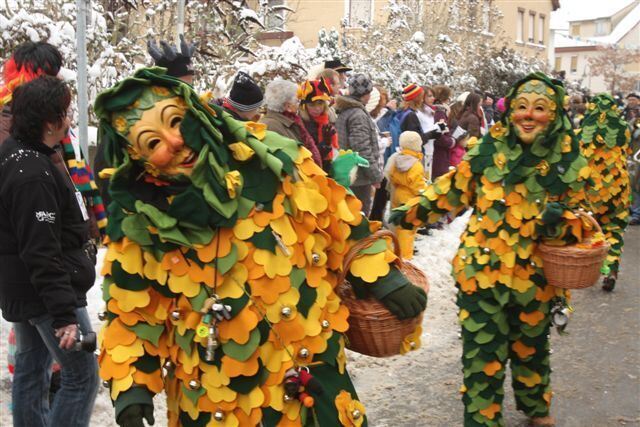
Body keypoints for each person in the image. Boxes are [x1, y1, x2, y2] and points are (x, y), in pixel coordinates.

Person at [94, 67, 426, 427]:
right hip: (211, 402)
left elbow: (339, 220)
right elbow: (130, 314)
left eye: (175, 122)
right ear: (137, 160)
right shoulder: (137, 224)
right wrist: (132, 388)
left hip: (309, 387)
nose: (173, 142)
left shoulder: (274, 160)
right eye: (152, 143)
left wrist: (379, 275)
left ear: (195, 114)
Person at [391, 73, 591, 427]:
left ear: (555, 114)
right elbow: (453, 188)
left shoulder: (567, 160)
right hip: (482, 273)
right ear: (510, 110)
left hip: (536, 277)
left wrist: (560, 222)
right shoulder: (488, 150)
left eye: (539, 108)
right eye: (522, 107)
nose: (528, 115)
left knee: (531, 347)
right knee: (483, 352)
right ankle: (483, 420)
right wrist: (410, 213)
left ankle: (535, 406)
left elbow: (581, 224)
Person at [0, 76, 99, 427]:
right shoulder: (32, 174)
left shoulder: (22, 155)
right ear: (49, 122)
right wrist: (64, 315)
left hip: (28, 288)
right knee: (82, 378)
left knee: (31, 370)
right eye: (65, 113)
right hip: (48, 293)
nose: (69, 120)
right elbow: (40, 249)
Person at [570, 94, 631, 291]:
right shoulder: (624, 129)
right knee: (613, 228)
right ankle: (611, 270)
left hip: (590, 187)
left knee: (590, 227)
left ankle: (588, 269)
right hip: (617, 188)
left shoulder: (581, 131)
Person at [335, 74, 383, 215]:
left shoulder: (346, 111)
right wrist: (375, 176)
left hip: (347, 173)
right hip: (358, 177)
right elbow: (362, 148)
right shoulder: (358, 115)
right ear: (366, 94)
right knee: (358, 217)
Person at [384, 131, 427, 259]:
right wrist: (425, 190)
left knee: (398, 226)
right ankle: (405, 257)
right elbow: (417, 185)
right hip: (409, 200)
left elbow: (391, 175)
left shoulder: (397, 159)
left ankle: (395, 250)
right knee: (407, 230)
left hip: (397, 196)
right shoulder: (416, 165)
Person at [260, 79, 322, 166]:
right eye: (297, 101)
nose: (298, 104)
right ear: (288, 106)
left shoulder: (289, 121)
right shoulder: (271, 127)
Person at [400, 83, 446, 181]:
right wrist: (432, 134)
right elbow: (415, 140)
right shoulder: (411, 115)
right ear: (415, 98)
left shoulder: (409, 113)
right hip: (412, 157)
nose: (422, 99)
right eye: (421, 97)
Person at [298, 78, 338, 171]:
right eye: (312, 105)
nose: (317, 109)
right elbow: (309, 157)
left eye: (320, 104)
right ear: (304, 106)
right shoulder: (301, 125)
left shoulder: (325, 120)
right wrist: (325, 145)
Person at [430, 85, 455, 180]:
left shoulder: (436, 111)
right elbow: (439, 135)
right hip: (439, 155)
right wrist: (451, 142)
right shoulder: (440, 112)